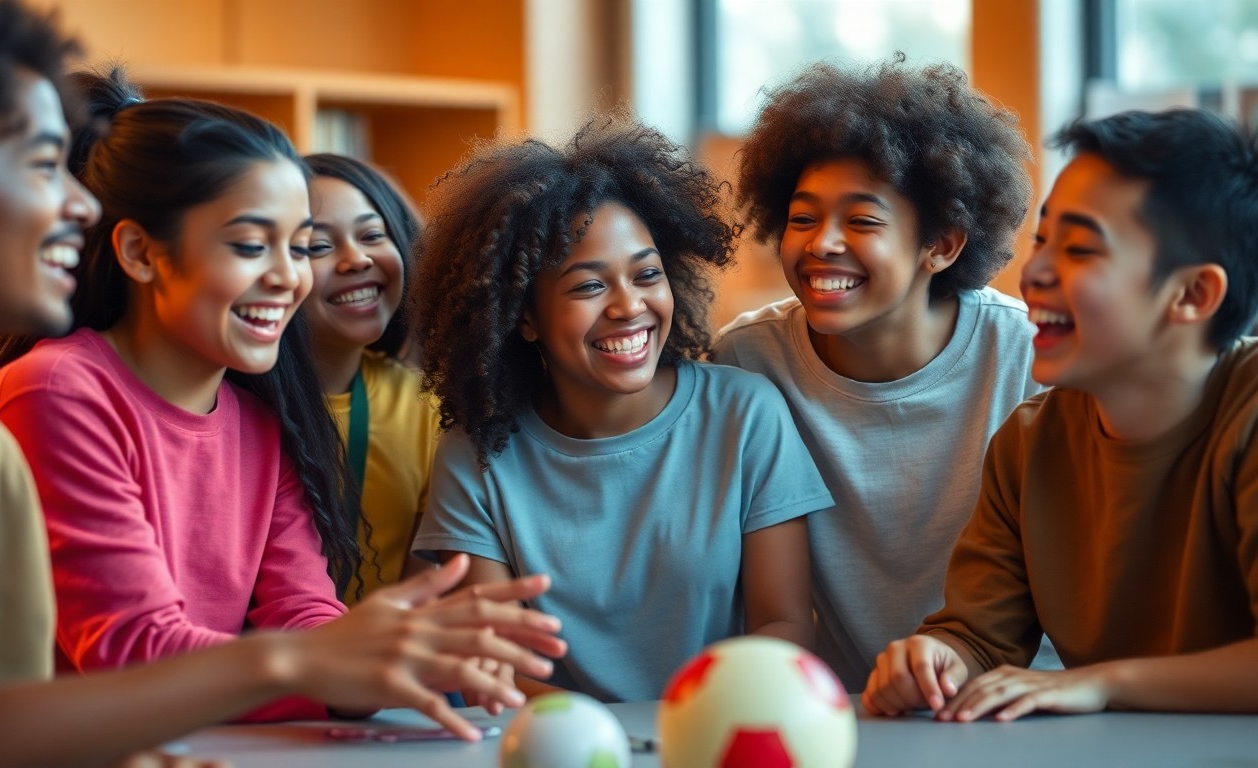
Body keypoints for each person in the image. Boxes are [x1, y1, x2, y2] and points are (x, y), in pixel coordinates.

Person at [0, 2, 563, 763]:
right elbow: (115, 653)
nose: (290, 276)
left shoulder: (257, 418)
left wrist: (385, 657)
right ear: (140, 254)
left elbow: (304, 613)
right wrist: (308, 663)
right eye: (253, 244)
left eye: (298, 246)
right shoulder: (52, 391)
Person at [408, 116, 834, 704]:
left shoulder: (745, 413)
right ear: (524, 317)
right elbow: (491, 662)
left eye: (647, 275)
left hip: (720, 733)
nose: (629, 306)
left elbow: (784, 628)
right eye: (588, 287)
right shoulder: (477, 454)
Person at [862, 108, 1258, 721]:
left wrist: (1103, 683)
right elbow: (981, 636)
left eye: (1079, 248)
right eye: (1043, 241)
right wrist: (937, 658)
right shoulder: (1029, 441)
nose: (1035, 271)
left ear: (1192, 294)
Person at [712, 55, 1050, 692]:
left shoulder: (1027, 355)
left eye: (863, 221)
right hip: (856, 716)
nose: (823, 244)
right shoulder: (747, 361)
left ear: (943, 244)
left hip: (1016, 706)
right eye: (803, 218)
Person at [302, 153, 438, 599]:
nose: (355, 259)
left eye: (372, 235)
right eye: (318, 246)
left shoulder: (426, 409)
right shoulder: (231, 407)